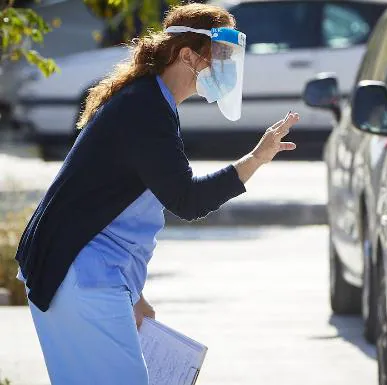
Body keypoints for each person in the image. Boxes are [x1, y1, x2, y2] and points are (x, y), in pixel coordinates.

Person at [14, 4, 299, 384]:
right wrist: (255, 159)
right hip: (79, 278)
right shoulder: (145, 109)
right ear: (187, 55)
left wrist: (133, 293)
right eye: (221, 58)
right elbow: (187, 199)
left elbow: (119, 209)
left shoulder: (149, 101)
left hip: (84, 276)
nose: (227, 70)